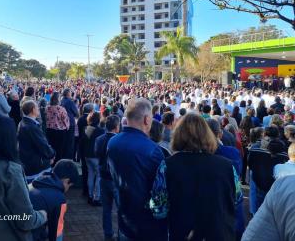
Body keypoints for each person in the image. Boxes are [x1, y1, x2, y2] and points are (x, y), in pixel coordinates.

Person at [150, 113, 239, 241]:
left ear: (178, 135)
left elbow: (158, 209)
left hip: (182, 233)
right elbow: (236, 199)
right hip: (219, 233)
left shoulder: (167, 166)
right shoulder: (227, 166)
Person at [108, 98, 167, 240]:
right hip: (147, 223)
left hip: (124, 216)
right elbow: (160, 191)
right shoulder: (153, 150)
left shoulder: (113, 142)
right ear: (147, 119)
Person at [30, 159, 79, 241]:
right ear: (66, 181)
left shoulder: (36, 182)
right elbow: (56, 232)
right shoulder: (59, 198)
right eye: (69, 186)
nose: (67, 189)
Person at [248, 126, 288, 213]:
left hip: (259, 182)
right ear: (278, 135)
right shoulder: (284, 152)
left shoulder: (254, 148)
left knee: (259, 210)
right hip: (275, 185)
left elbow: (250, 165)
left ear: (264, 134)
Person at [242, 175, 295, 241]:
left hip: (265, 180)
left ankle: (253, 213)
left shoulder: (284, 186)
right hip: (264, 180)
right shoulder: (284, 187)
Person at [95, 115, 120, 241]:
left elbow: (97, 154)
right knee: (121, 210)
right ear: (116, 127)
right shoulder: (119, 141)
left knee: (106, 209)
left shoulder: (99, 139)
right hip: (115, 179)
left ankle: (108, 235)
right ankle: (121, 234)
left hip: (103, 177)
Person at [18, 100, 55, 182]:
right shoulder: (31, 127)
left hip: (29, 163)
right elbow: (42, 145)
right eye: (37, 107)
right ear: (33, 110)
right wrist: (52, 154)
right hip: (36, 166)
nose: (38, 109)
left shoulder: (23, 122)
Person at [83, 112, 104, 206]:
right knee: (98, 176)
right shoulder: (100, 130)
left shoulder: (86, 128)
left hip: (87, 155)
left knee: (90, 175)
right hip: (96, 156)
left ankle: (90, 196)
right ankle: (97, 198)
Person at [46, 92, 69, 162]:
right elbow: (65, 120)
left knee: (51, 147)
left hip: (49, 130)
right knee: (59, 149)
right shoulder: (61, 109)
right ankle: (58, 165)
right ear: (58, 99)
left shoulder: (47, 108)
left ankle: (52, 163)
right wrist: (67, 127)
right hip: (60, 131)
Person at [77, 103, 93, 197]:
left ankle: (85, 189)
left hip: (82, 145)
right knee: (90, 170)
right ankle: (89, 191)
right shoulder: (90, 119)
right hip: (89, 147)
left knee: (84, 168)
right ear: (91, 110)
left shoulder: (80, 119)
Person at [60, 88, 79, 159]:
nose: (71, 93)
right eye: (70, 92)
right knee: (70, 142)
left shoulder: (61, 100)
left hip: (62, 123)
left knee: (64, 141)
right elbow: (76, 113)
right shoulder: (70, 102)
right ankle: (69, 158)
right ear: (68, 93)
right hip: (70, 123)